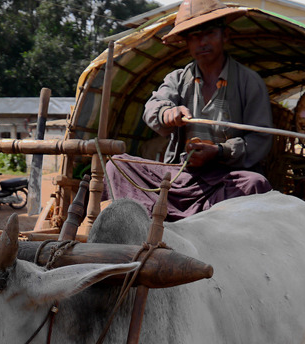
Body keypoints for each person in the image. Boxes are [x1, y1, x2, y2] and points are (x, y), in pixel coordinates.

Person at [105, 0, 273, 219]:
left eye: (209, 33)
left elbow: (260, 140)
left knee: (255, 183)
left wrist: (219, 151)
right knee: (116, 166)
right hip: (180, 178)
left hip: (226, 179)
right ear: (186, 43)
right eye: (193, 36)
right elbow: (153, 107)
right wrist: (167, 114)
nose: (201, 42)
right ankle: (144, 224)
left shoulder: (250, 82)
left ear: (226, 35)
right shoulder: (176, 79)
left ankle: (180, 219)